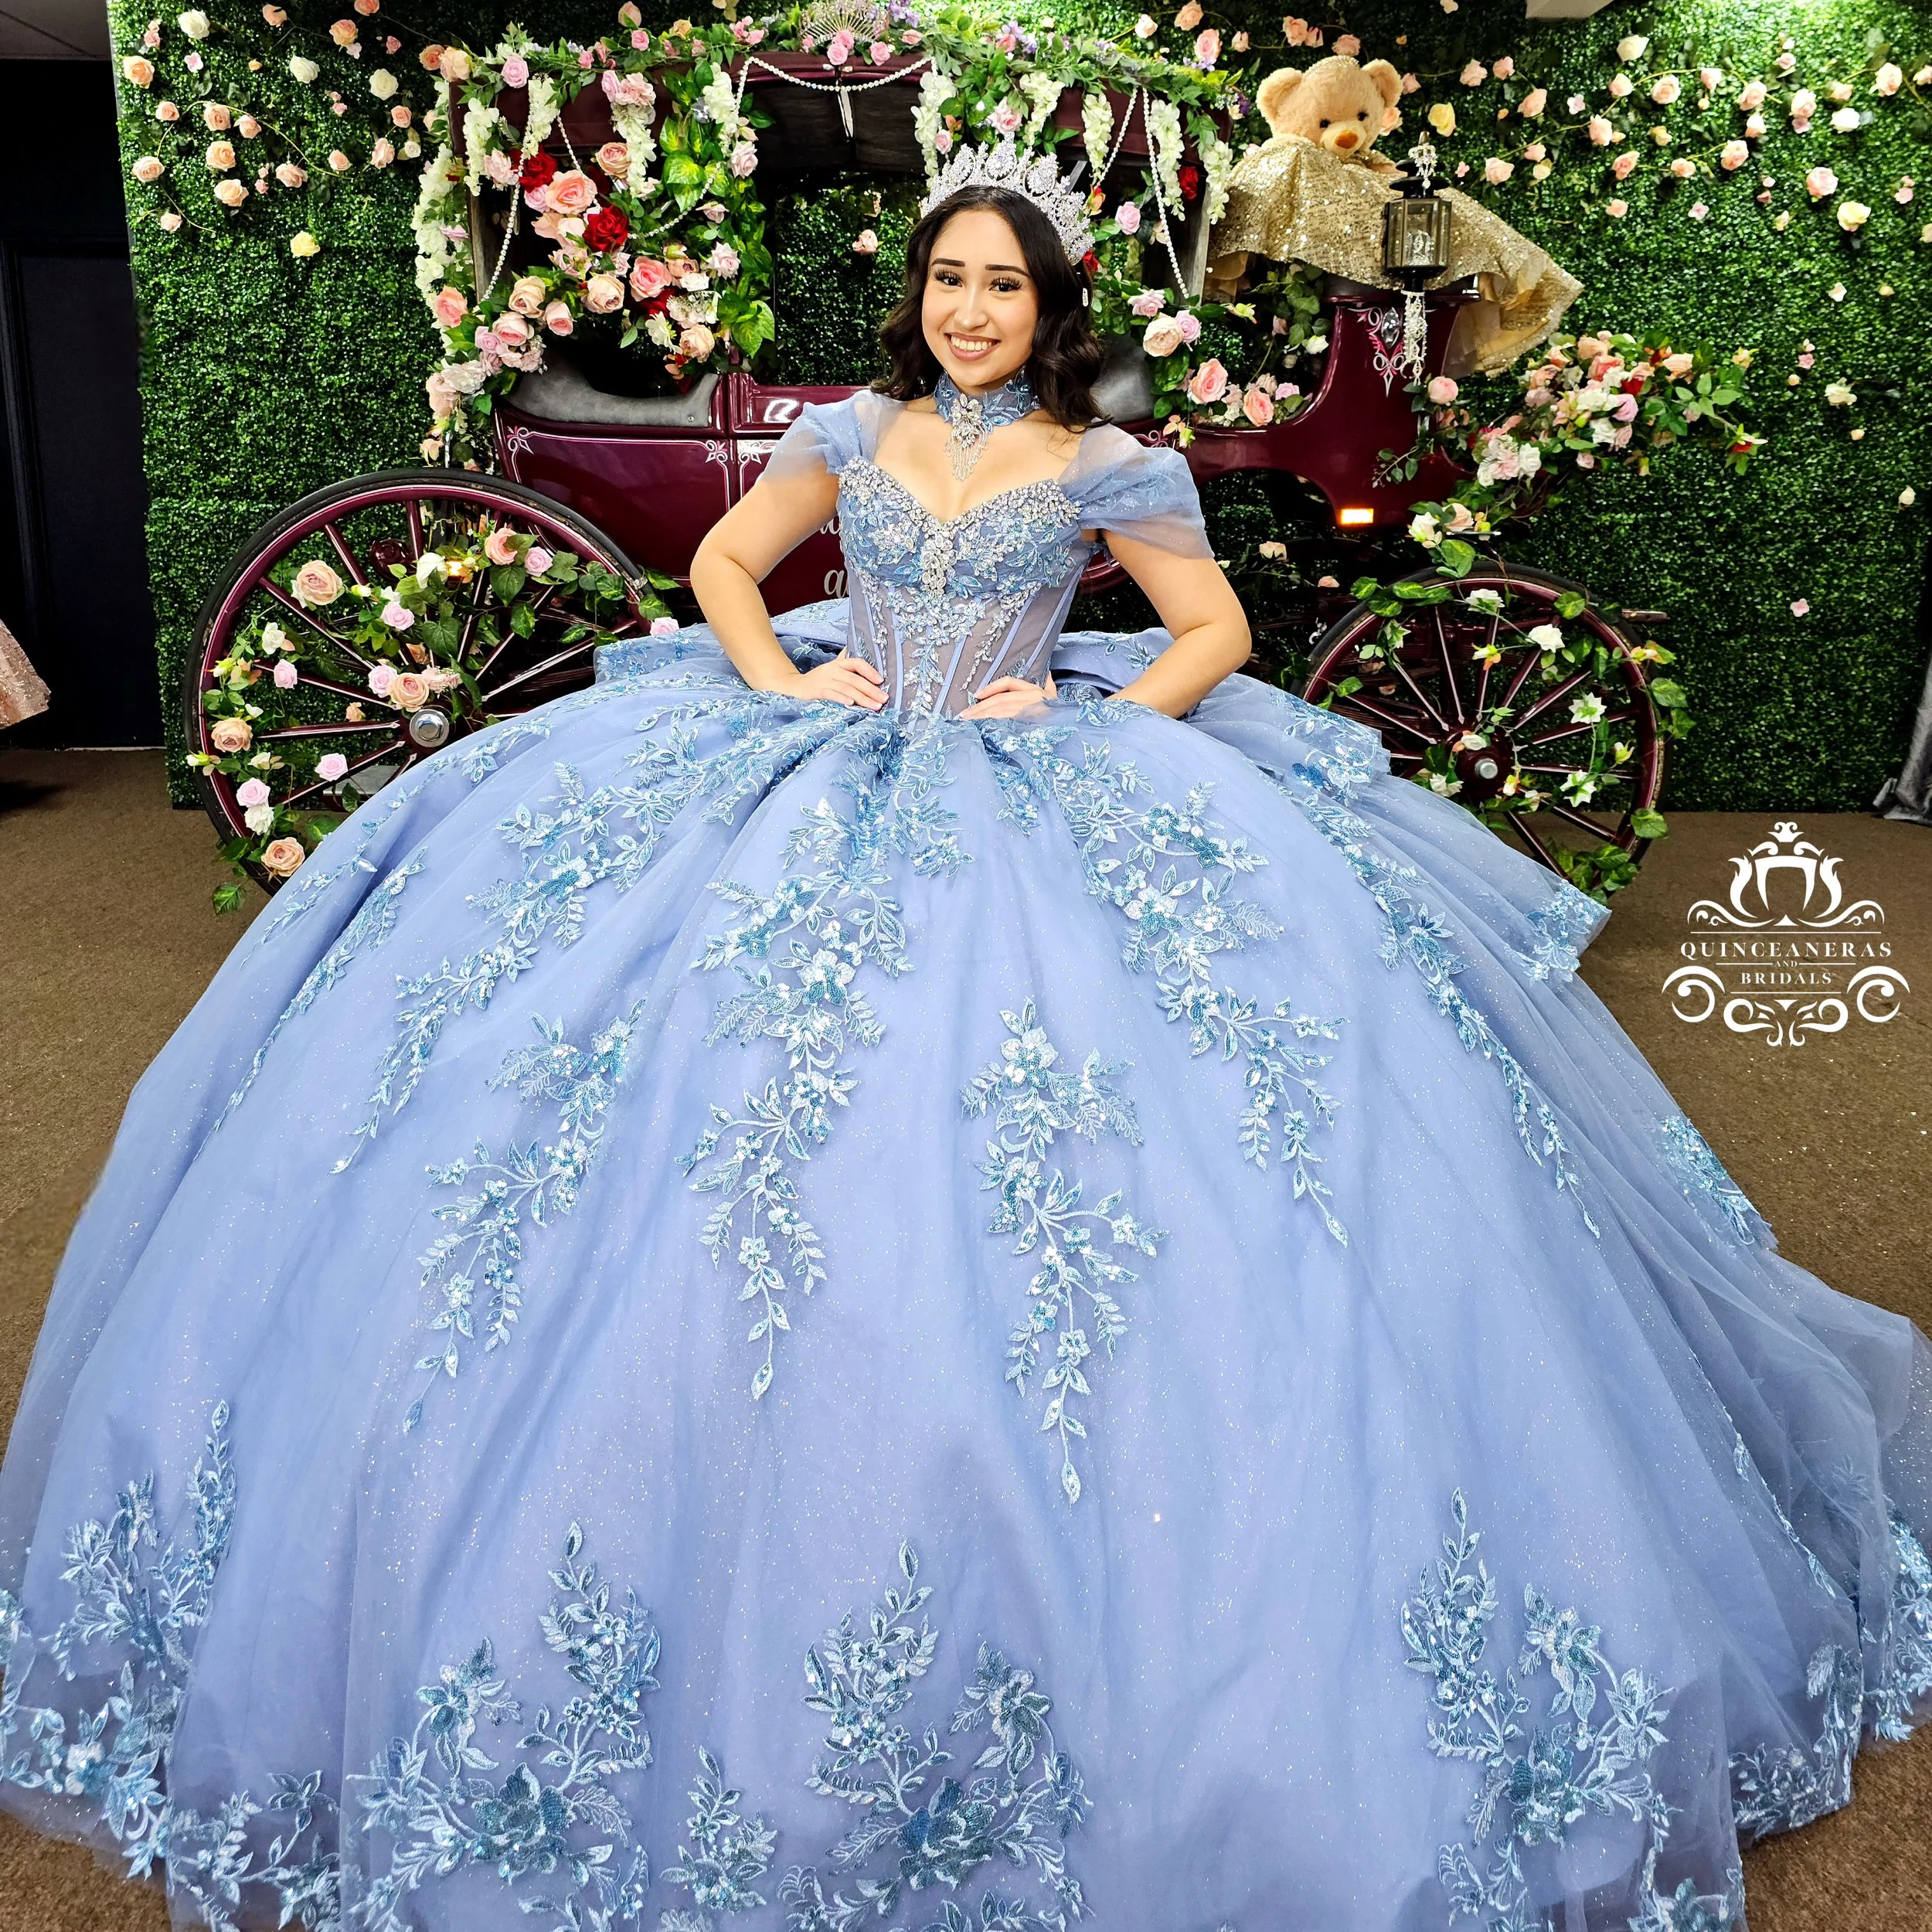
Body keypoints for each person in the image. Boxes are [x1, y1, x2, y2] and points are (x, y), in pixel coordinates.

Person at [2, 138, 1928, 1932]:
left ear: (1049, 302)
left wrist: (1095, 722)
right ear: (916, 294)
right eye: (946, 279)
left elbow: (1213, 637)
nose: (969, 308)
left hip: (1032, 766)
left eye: (1000, 283)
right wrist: (778, 678)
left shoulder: (1105, 460)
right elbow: (723, 570)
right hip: (817, 752)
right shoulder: (850, 428)